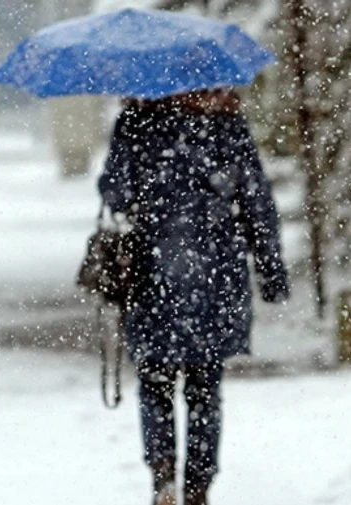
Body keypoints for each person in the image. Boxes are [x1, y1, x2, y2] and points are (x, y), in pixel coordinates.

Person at [98, 88, 289, 505]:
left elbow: (115, 193)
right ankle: (199, 486)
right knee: (205, 386)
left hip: (153, 268)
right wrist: (271, 271)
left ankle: (163, 473)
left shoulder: (135, 123)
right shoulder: (226, 125)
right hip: (215, 272)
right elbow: (257, 201)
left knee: (155, 381)